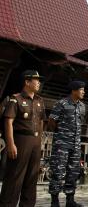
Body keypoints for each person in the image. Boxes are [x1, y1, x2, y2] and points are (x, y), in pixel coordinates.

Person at [0, 70, 46, 207]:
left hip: (35, 141)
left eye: (39, 80)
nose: (38, 82)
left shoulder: (40, 100)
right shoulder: (16, 99)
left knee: (32, 177)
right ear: (27, 82)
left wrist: (41, 140)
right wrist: (11, 144)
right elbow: (8, 122)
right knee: (15, 176)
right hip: (20, 140)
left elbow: (42, 121)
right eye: (35, 80)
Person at [48, 80, 86, 207]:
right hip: (62, 144)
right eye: (81, 89)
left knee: (73, 172)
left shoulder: (82, 106)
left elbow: (80, 123)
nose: (83, 92)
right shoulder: (61, 103)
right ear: (74, 90)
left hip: (75, 145)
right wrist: (61, 135)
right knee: (58, 172)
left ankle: (70, 200)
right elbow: (52, 121)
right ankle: (55, 201)